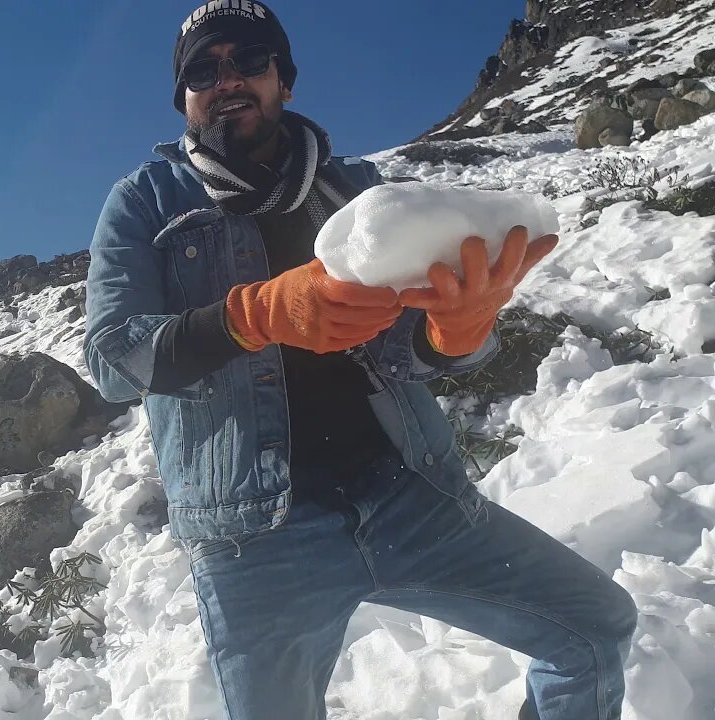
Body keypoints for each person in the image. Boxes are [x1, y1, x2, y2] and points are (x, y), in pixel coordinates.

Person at [82, 3, 638, 719]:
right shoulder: (144, 203)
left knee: (592, 628)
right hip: (257, 540)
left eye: (250, 60)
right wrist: (252, 315)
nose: (227, 80)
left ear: (284, 78)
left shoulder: (362, 194)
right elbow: (111, 359)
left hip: (410, 493)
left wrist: (459, 330)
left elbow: (414, 350)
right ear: (183, 97)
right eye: (202, 70)